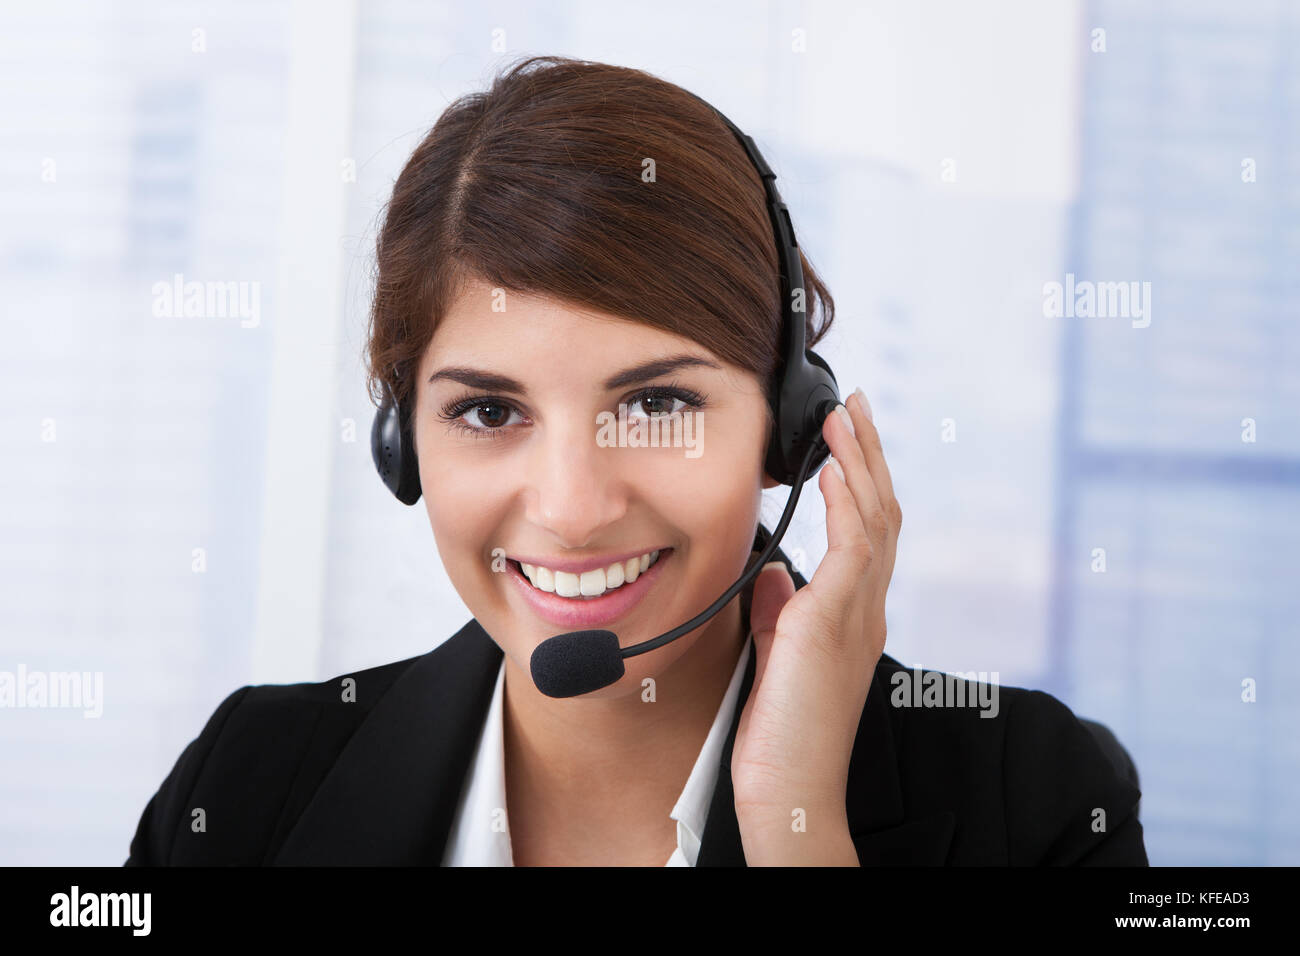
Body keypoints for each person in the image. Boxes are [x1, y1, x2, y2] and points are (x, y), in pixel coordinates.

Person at [126, 55, 1147, 867]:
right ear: (404, 442)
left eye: (656, 404)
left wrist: (796, 823)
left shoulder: (1035, 800)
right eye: (487, 410)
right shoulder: (247, 785)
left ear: (789, 428)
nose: (572, 507)